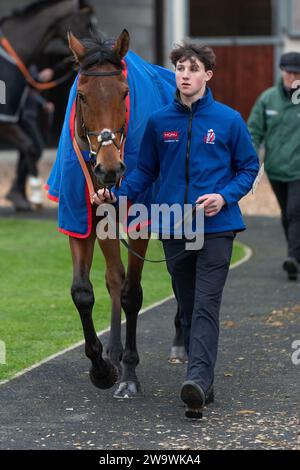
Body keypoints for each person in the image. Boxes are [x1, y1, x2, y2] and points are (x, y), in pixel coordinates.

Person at [94, 42, 259, 418]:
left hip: (217, 227)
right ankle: (204, 384)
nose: (185, 75)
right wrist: (115, 194)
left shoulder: (229, 120)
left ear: (207, 75)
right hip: (173, 227)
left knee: (205, 304)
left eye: (193, 68)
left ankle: (196, 383)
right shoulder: (159, 123)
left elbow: (248, 169)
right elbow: (146, 173)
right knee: (187, 306)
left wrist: (224, 196)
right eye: (181, 68)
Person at [248, 52, 300, 281]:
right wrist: (249, 159)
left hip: (298, 170)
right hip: (277, 169)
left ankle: (292, 257)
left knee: (294, 212)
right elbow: (254, 130)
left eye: (296, 73)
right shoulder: (268, 99)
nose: (292, 76)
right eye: (288, 72)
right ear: (281, 72)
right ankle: (296, 254)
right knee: (287, 215)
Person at [6, 67, 55, 211]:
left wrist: (43, 104)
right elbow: (30, 83)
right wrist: (40, 76)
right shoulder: (28, 68)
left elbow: (31, 91)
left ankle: (18, 191)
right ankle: (17, 188)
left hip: (30, 115)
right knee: (36, 149)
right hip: (24, 116)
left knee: (26, 152)